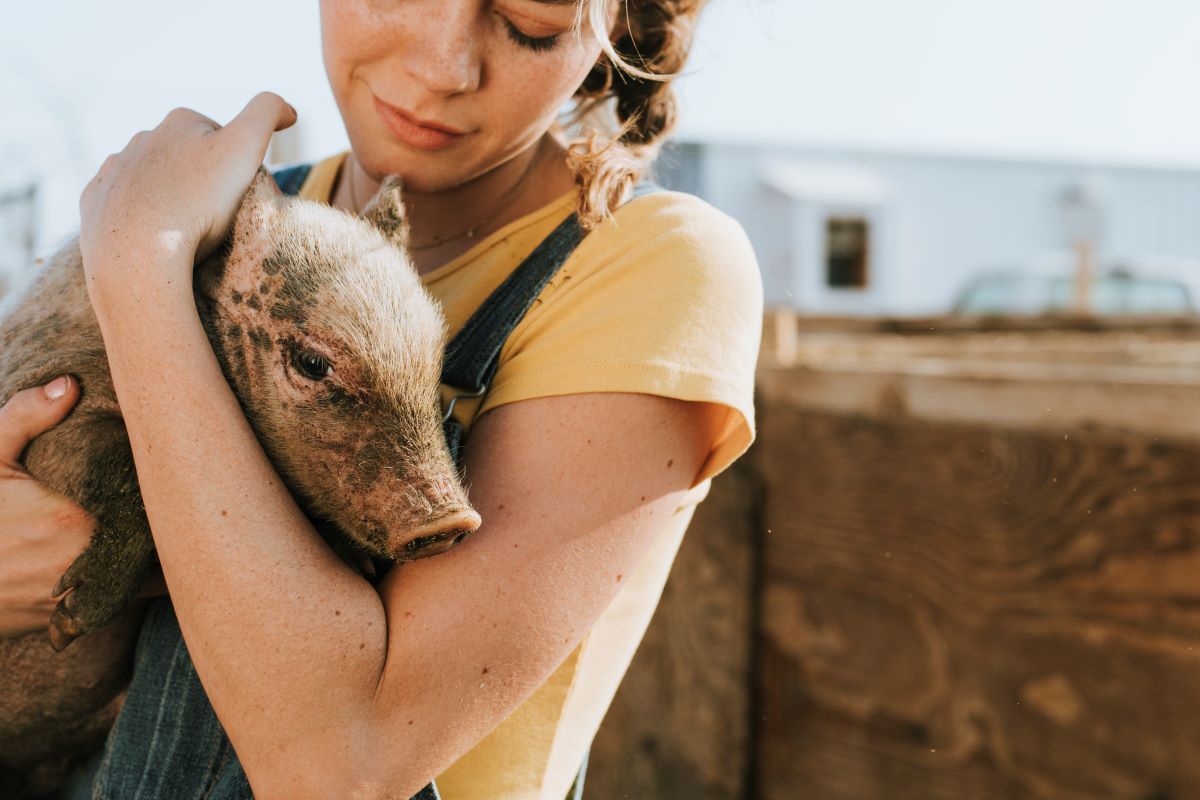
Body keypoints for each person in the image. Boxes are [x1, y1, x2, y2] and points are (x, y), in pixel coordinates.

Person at [0, 0, 762, 797]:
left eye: (530, 21)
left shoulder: (652, 264)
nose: (442, 69)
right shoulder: (230, 219)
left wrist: (139, 267)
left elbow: (338, 767)